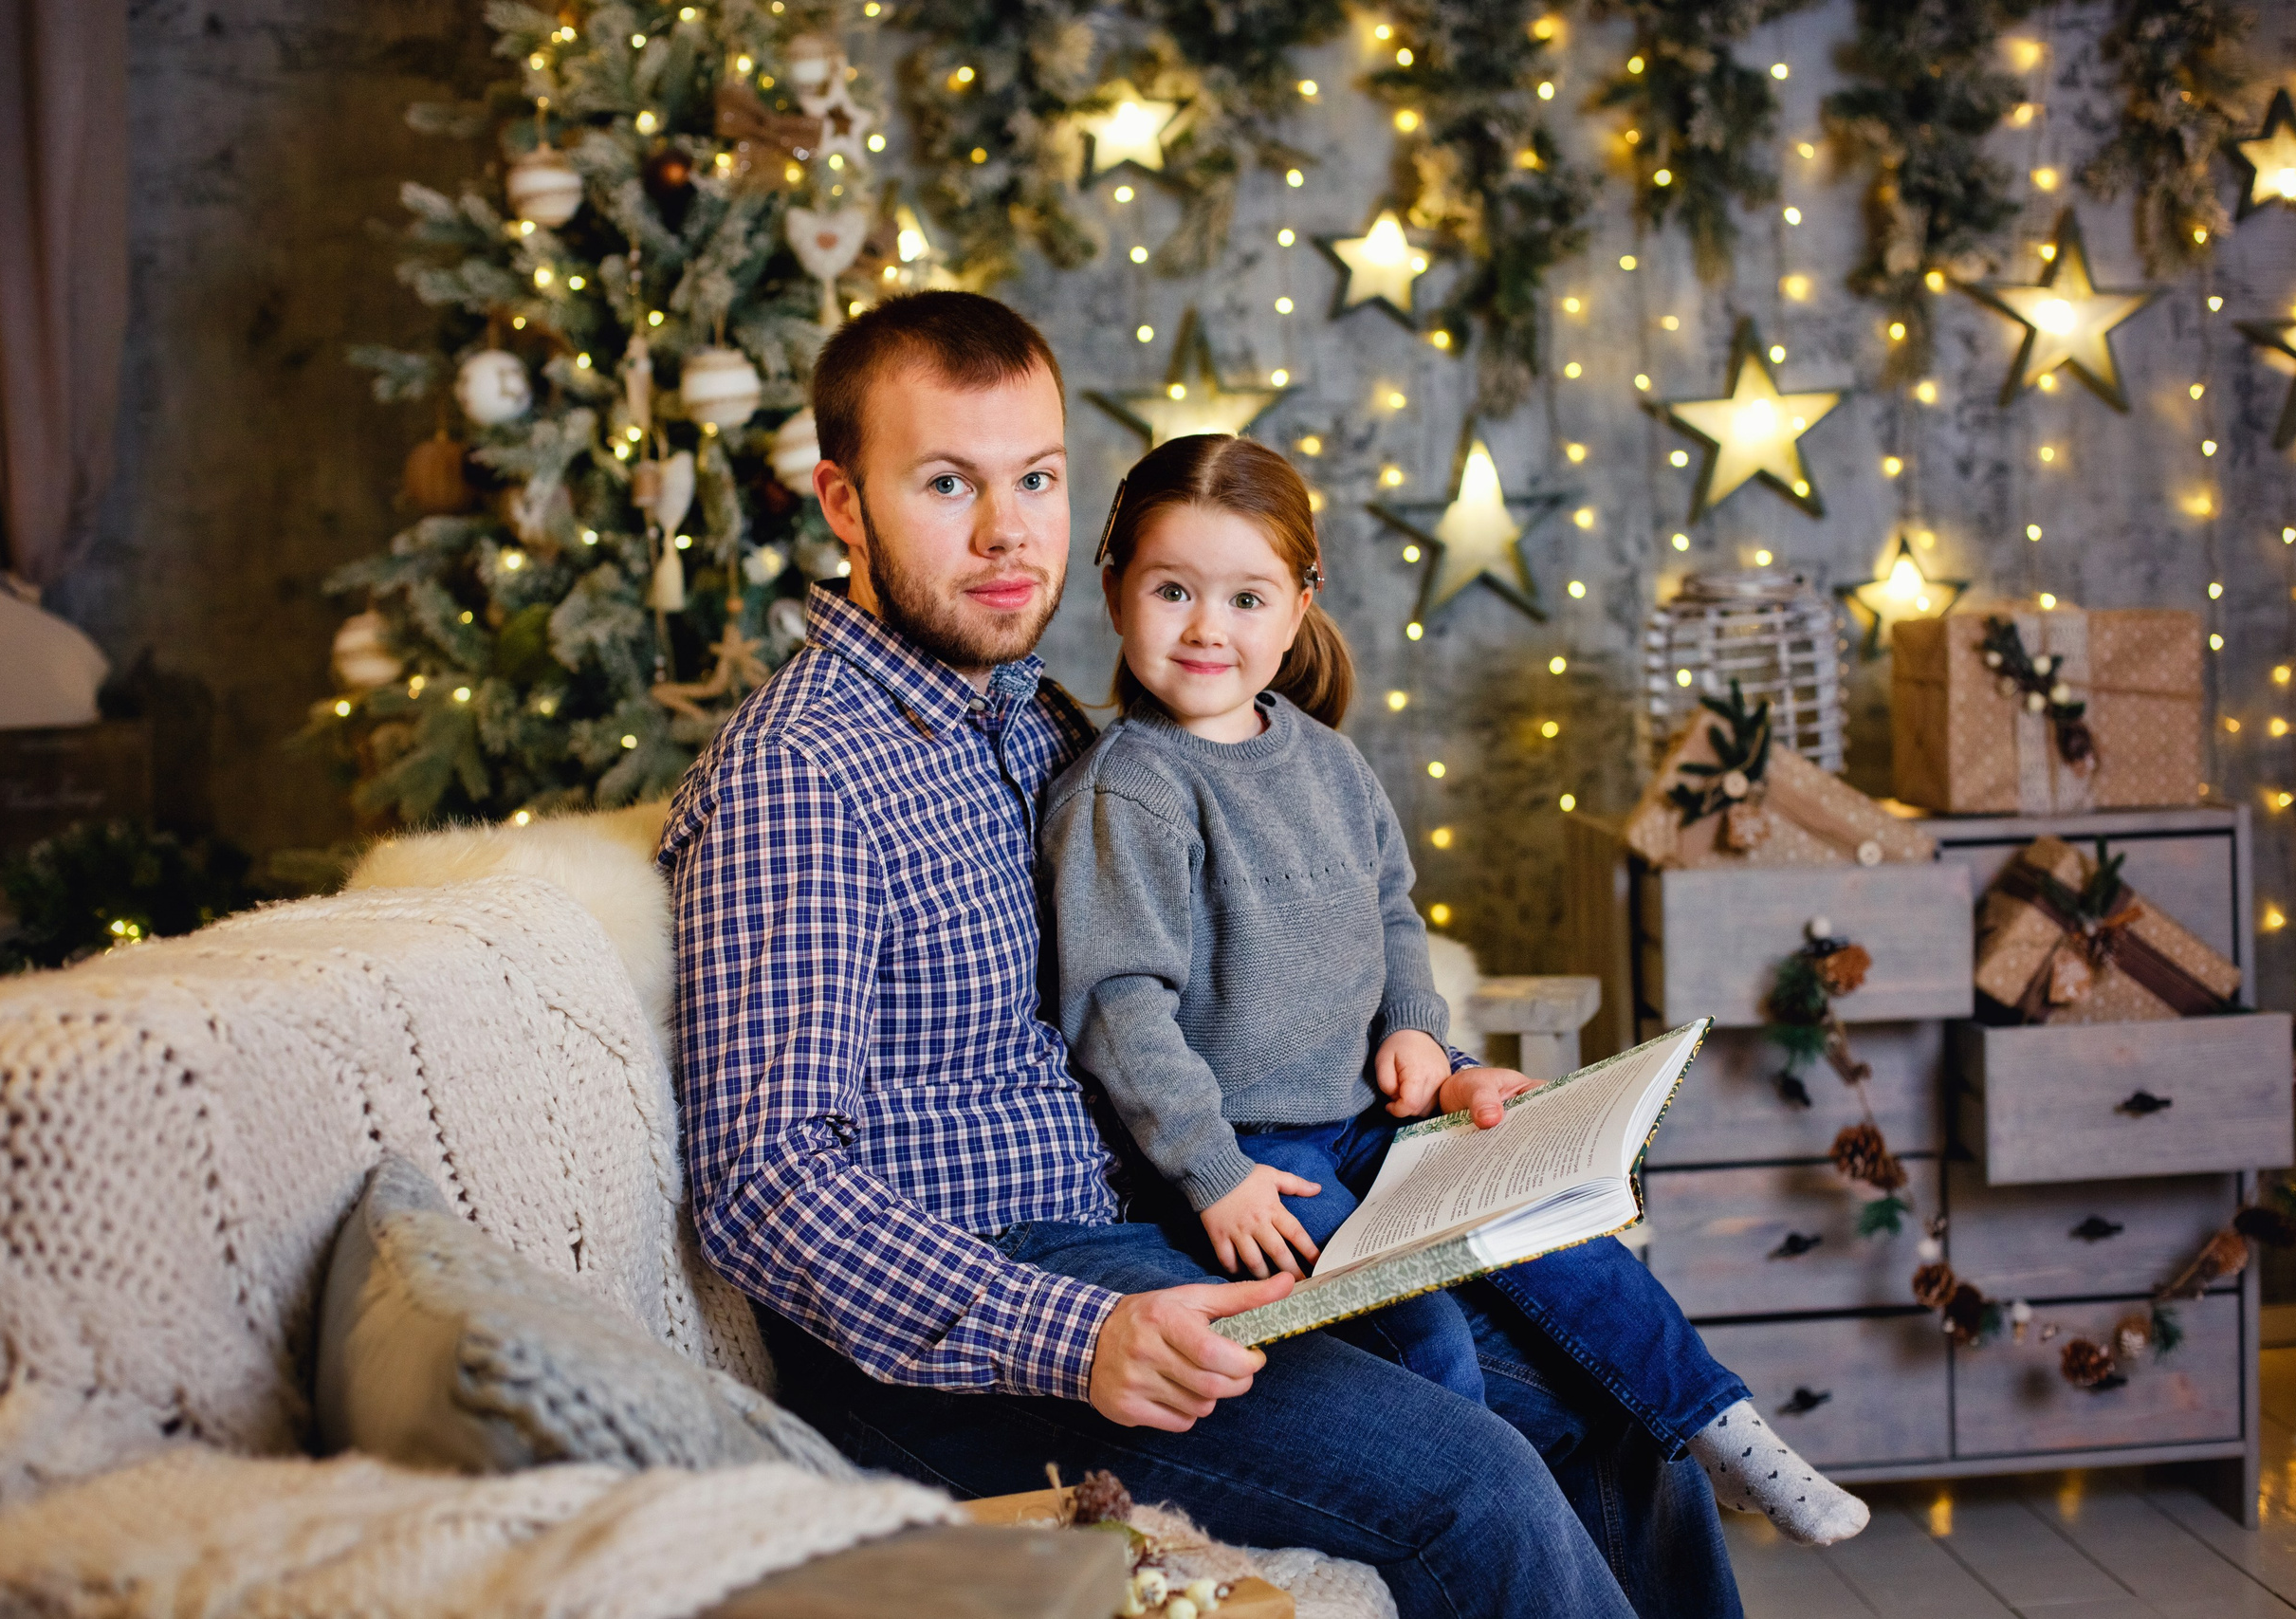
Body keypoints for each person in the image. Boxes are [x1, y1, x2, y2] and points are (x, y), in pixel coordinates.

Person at [659, 288, 1747, 1618]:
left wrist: (1436, 1067)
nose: (1008, 532)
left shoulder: (1038, 719)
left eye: (1039, 479)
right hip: (978, 1336)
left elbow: (1254, 964)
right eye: (947, 482)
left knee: (1610, 1403)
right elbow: (765, 1178)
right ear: (844, 502)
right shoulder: (800, 774)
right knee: (1481, 1484)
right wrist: (1074, 1333)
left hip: (1167, 1233)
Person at [1039, 432, 1870, 1548]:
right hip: (1254, 1152)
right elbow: (1118, 1005)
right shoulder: (1130, 790)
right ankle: (1490, 1538)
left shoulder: (1326, 762)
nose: (1206, 628)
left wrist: (1417, 1033)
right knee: (1415, 1325)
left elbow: (1390, 916)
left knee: (1558, 1236)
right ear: (1114, 590)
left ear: (1298, 602)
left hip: (1368, 1119)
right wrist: (1213, 1172)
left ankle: (1722, 1427)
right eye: (1171, 590)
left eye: (1244, 596)